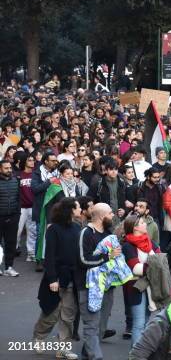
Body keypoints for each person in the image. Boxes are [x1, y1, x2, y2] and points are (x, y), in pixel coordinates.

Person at [33, 197, 81, 360]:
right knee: (51, 313)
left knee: (68, 315)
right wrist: (52, 279)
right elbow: (50, 256)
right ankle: (39, 337)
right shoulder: (53, 229)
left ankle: (63, 349)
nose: (80, 210)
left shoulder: (77, 227)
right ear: (71, 210)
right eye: (78, 207)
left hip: (72, 278)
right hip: (57, 278)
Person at [76, 203, 120, 360]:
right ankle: (96, 357)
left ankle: (86, 355)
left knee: (99, 327)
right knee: (91, 325)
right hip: (88, 288)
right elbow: (83, 260)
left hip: (107, 287)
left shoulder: (108, 232)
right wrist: (107, 257)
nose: (113, 215)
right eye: (110, 213)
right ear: (102, 216)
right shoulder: (86, 233)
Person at [121, 215, 162, 347]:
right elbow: (136, 268)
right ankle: (136, 355)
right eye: (143, 222)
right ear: (135, 227)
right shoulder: (128, 246)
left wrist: (154, 265)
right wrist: (153, 265)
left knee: (145, 321)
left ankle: (141, 351)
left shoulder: (150, 242)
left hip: (151, 285)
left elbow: (161, 259)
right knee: (138, 323)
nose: (146, 224)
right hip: (135, 287)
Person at [0, 159, 21, 277]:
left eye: (10, 168)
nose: (9, 170)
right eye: (6, 168)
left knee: (11, 243)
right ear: (0, 169)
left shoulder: (15, 180)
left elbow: (18, 198)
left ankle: (9, 267)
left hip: (13, 217)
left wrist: (17, 214)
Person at [17, 154, 36, 262]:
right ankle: (15, 247)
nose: (32, 162)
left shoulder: (35, 175)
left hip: (33, 206)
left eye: (33, 160)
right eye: (30, 160)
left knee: (32, 230)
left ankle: (31, 253)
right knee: (18, 230)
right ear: (25, 162)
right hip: (21, 207)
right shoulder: (18, 175)